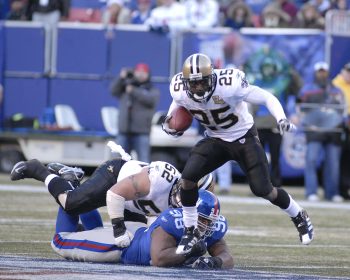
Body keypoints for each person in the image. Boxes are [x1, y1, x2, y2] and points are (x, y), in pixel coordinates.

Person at [161, 53, 314, 255]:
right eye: (193, 83)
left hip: (243, 138)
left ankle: (298, 215)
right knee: (187, 179)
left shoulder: (229, 83)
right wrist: (171, 124)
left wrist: (281, 118)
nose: (197, 88)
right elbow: (177, 105)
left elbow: (266, 97)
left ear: (212, 77)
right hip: (215, 139)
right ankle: (191, 230)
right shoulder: (179, 88)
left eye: (202, 82)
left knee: (263, 189)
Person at [10, 145, 214, 247]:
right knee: (70, 203)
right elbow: (115, 194)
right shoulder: (161, 179)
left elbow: (156, 220)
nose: (187, 201)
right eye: (189, 193)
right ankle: (39, 170)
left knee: (134, 241)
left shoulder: (190, 209)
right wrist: (118, 229)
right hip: (115, 178)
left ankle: (73, 183)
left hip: (135, 203)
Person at [51, 189, 234, 269]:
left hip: (141, 232)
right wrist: (189, 252)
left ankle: (88, 228)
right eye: (202, 219)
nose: (207, 225)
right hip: (124, 246)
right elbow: (159, 258)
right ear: (189, 214)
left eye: (210, 221)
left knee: (96, 231)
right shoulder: (172, 221)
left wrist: (215, 262)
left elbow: (227, 257)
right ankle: (70, 188)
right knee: (60, 241)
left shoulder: (211, 227)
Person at [298, 61, 345, 202]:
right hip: (314, 131)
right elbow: (298, 107)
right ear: (315, 72)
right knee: (311, 160)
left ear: (328, 72)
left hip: (333, 131)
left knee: (333, 163)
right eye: (320, 71)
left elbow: (342, 110)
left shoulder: (336, 91)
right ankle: (311, 192)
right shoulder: (306, 90)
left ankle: (332, 193)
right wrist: (304, 121)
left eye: (324, 71)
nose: (322, 74)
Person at [110, 63, 160, 163]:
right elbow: (113, 90)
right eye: (138, 72)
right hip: (124, 131)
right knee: (117, 161)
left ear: (148, 74)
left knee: (144, 162)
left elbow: (150, 100)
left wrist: (133, 91)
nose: (141, 74)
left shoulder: (152, 90)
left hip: (142, 133)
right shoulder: (125, 87)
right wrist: (121, 78)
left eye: (143, 72)